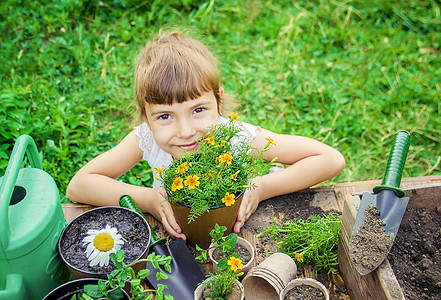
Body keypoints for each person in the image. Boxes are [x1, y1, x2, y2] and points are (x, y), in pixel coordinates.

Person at [66, 30, 345, 241]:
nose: (186, 131)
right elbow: (79, 186)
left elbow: (330, 159)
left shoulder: (235, 137)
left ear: (218, 102)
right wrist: (150, 199)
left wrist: (263, 187)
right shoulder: (147, 139)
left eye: (198, 109)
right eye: (165, 116)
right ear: (145, 116)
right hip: (186, 233)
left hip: (242, 231)